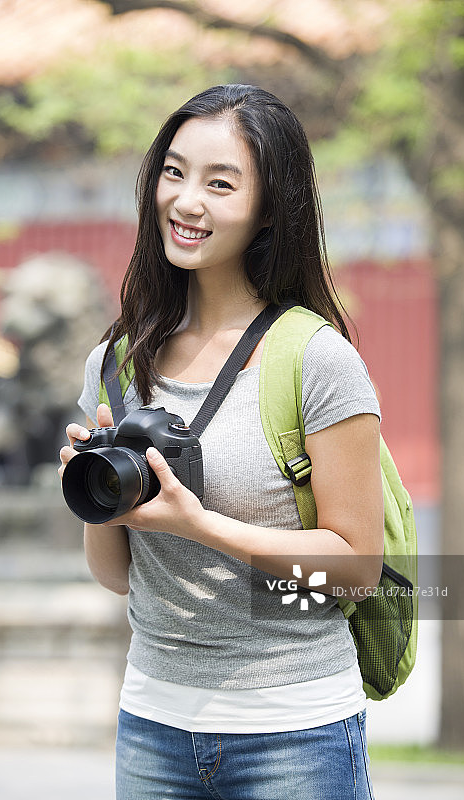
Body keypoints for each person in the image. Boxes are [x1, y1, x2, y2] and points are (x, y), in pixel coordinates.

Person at [59, 84, 383, 799]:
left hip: (293, 732)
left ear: (269, 207)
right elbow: (120, 575)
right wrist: (98, 492)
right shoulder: (116, 361)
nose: (186, 201)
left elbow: (356, 566)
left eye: (219, 183)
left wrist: (199, 525)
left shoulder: (314, 359)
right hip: (151, 723)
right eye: (173, 173)